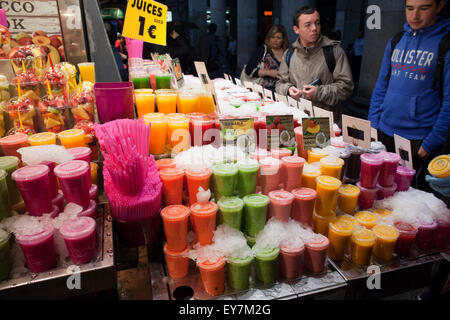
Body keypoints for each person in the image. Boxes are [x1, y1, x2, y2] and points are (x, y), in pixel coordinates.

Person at [369, 0, 450, 191]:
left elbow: (448, 101)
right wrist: (373, 124)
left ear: (439, 6)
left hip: (418, 140)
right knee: (378, 188)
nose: (414, 15)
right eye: (410, 8)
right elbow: (381, 86)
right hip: (384, 132)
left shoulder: (445, 44)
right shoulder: (397, 40)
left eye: (424, 8)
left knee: (408, 194)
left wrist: (433, 141)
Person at [275, 6, 354, 123]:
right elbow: (279, 83)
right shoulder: (290, 53)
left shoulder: (334, 51)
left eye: (317, 23)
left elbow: (346, 87)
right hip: (296, 118)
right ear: (296, 29)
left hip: (325, 122)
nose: (314, 28)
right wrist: (288, 89)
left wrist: (318, 93)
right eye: (308, 25)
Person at [242, 25, 289, 91]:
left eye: (278, 38)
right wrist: (268, 72)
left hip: (283, 91)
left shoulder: (288, 53)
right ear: (269, 38)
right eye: (272, 37)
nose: (275, 40)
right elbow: (249, 70)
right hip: (264, 91)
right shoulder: (262, 51)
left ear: (283, 39)